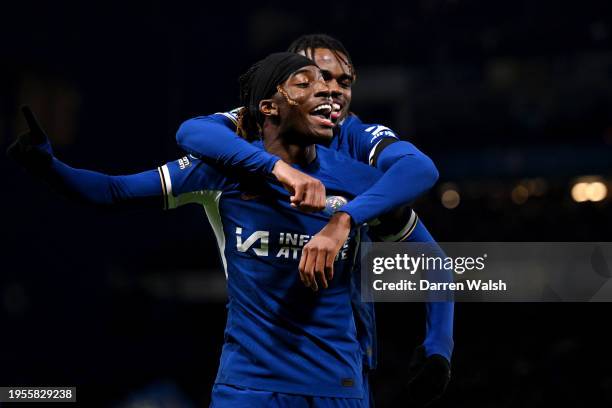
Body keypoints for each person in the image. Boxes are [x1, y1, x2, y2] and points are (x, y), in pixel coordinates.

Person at [8, 52, 410, 407]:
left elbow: (431, 256)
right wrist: (49, 167)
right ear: (269, 108)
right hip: (250, 388)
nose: (326, 92)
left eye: (329, 84)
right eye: (306, 84)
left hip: (338, 387)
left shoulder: (360, 179)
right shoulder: (219, 171)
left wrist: (437, 348)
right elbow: (113, 190)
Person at [174, 34, 454, 405]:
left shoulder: (354, 139)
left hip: (341, 365)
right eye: (319, 78)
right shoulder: (255, 126)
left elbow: (419, 172)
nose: (332, 89)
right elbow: (191, 131)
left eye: (344, 81)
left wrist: (345, 219)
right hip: (257, 367)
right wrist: (278, 169)